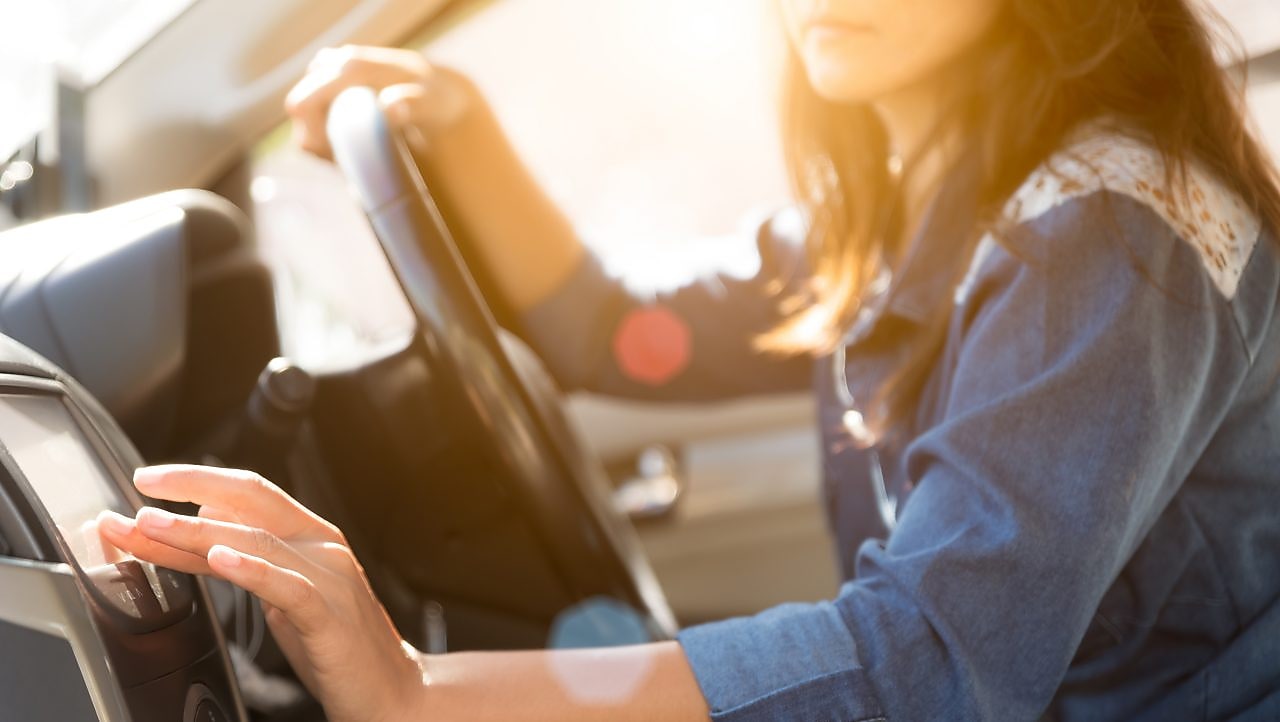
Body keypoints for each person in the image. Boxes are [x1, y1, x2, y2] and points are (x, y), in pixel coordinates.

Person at [97, 0, 1280, 719]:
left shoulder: (1109, 232)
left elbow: (928, 664)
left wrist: (415, 691)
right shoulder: (909, 199)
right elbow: (622, 333)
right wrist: (461, 128)